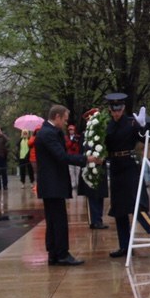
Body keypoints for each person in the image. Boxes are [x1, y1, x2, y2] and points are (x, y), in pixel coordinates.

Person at [35, 104, 99, 266]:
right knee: (59, 221)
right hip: (53, 184)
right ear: (56, 117)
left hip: (51, 184)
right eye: (64, 119)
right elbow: (61, 156)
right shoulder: (48, 134)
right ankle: (62, 254)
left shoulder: (48, 132)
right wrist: (86, 159)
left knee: (53, 221)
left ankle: (54, 254)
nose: (65, 122)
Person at [104, 93, 150, 259]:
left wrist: (144, 127)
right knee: (119, 208)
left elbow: (147, 139)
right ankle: (124, 245)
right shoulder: (106, 125)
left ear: (123, 108)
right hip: (115, 166)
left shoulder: (132, 122)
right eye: (114, 110)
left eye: (119, 109)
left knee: (136, 203)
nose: (116, 112)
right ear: (110, 110)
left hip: (129, 166)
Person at [77, 108, 109, 230]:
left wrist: (103, 158)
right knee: (92, 195)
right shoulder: (86, 135)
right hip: (89, 168)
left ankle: (98, 219)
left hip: (100, 167)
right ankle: (94, 220)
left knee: (99, 195)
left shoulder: (102, 134)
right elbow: (82, 152)